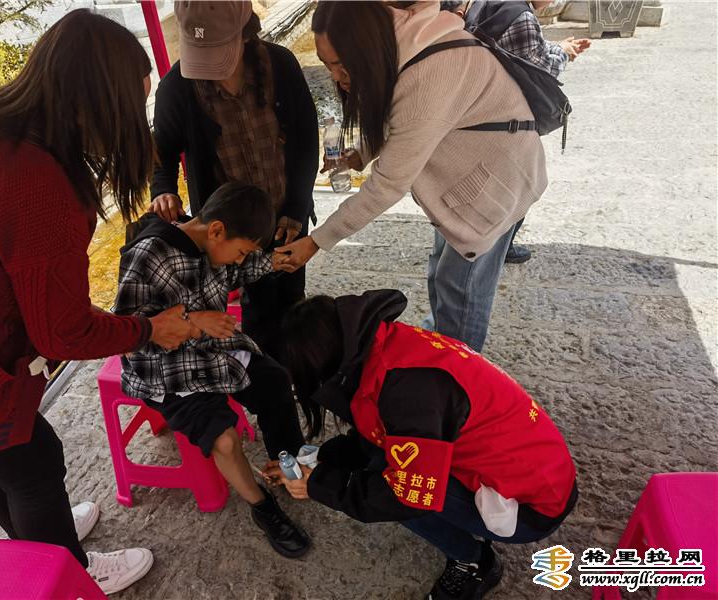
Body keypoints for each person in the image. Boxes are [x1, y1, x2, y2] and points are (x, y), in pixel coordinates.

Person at [0, 10, 195, 594]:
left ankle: (38, 544)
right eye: (130, 106)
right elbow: (63, 333)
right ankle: (69, 574)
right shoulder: (37, 180)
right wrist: (149, 329)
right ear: (97, 105)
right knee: (34, 463)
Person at [268, 289, 578, 600]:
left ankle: (474, 561)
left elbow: (405, 496)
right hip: (538, 464)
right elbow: (378, 435)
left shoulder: (408, 393)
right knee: (381, 464)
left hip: (533, 506)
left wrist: (318, 486)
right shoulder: (380, 344)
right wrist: (319, 460)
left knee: (394, 487)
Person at [276, 1, 548, 352]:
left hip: (491, 186)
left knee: (461, 291)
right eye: (327, 64)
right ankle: (439, 342)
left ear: (366, 46)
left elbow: (387, 185)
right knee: (442, 271)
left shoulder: (427, 72)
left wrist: (316, 241)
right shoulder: (405, 41)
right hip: (466, 179)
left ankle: (456, 369)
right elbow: (401, 119)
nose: (337, 77)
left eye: (342, 64)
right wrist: (360, 155)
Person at [114, 182, 311, 559]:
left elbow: (237, 270)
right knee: (223, 439)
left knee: (276, 382)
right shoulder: (149, 254)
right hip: (166, 370)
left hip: (214, 351)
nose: (240, 260)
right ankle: (263, 508)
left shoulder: (211, 245)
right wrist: (193, 321)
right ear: (217, 230)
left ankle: (290, 468)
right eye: (241, 251)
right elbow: (124, 331)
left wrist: (276, 261)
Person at [149, 0, 318, 358]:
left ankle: (299, 363)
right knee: (256, 305)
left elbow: (306, 140)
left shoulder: (280, 65)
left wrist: (296, 210)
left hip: (286, 213)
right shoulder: (178, 87)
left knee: (292, 295)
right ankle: (263, 367)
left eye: (219, 51)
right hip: (230, 227)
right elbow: (161, 152)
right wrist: (164, 191)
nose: (211, 68)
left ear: (245, 32)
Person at [463, 0, 591, 264]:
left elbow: (524, 49)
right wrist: (564, 54)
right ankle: (495, 249)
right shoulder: (520, 15)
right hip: (507, 120)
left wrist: (560, 47)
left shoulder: (497, 4)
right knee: (517, 189)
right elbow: (543, 68)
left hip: (481, 113)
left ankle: (488, 247)